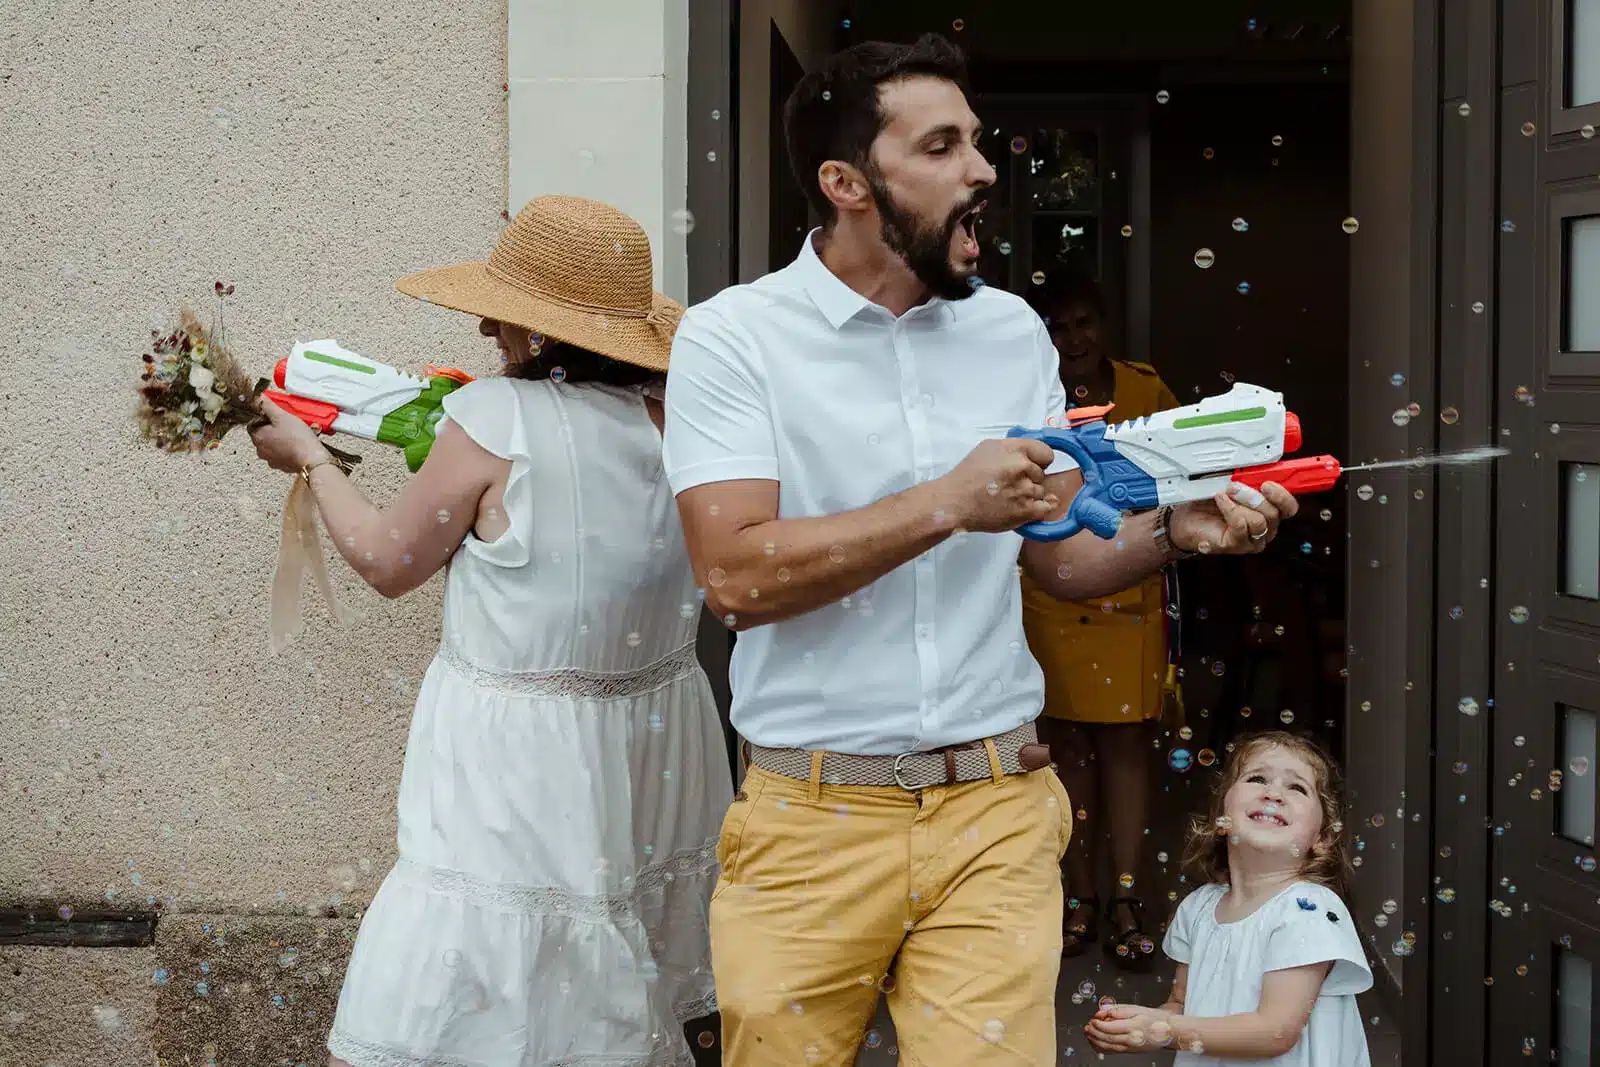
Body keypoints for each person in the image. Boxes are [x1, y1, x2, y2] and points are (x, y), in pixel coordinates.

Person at [661, 33, 1299, 1066]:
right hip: (809, 818)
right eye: (944, 145)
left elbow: (1057, 555)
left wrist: (1177, 534)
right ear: (847, 182)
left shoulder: (1010, 331)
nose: (985, 170)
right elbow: (736, 573)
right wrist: (945, 502)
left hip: (998, 804)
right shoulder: (735, 338)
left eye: (980, 142)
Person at [247, 194, 732, 1067]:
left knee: (484, 968)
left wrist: (313, 459)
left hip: (519, 755)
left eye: (502, 314)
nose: (481, 328)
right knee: (630, 964)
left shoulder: (494, 422)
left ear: (542, 331)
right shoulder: (678, 420)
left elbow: (389, 562)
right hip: (656, 740)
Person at [1019, 271, 1181, 969]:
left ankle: (1124, 896)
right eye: (1058, 327)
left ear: (1105, 326)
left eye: (1084, 323)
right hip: (1053, 592)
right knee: (1067, 753)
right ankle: (1077, 895)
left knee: (1123, 748)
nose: (1073, 339)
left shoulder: (1145, 391)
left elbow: (1182, 480)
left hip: (1128, 596)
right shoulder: (1028, 398)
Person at [1085, 731, 1372, 1065]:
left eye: (1296, 787)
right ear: (1221, 819)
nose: (1273, 793)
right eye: (1257, 778)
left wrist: (1163, 1028)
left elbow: (1275, 1031)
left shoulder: (1308, 909)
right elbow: (1180, 1004)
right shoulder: (1198, 908)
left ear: (1322, 838)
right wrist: (1136, 1027)